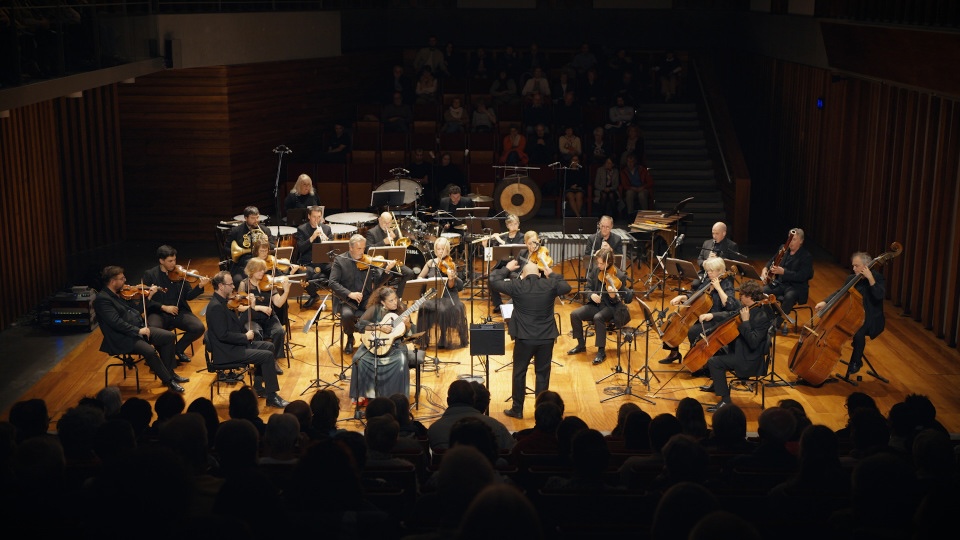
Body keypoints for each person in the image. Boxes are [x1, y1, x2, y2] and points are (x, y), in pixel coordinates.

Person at [490, 255, 572, 419]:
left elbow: (493, 281)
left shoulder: (517, 285)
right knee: (542, 374)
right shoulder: (549, 284)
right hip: (546, 337)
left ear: (523, 275)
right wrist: (552, 274)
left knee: (519, 372)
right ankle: (540, 412)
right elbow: (567, 287)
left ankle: (517, 409)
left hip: (525, 338)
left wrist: (506, 269)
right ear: (540, 274)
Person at [93, 266, 187, 393]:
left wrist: (148, 296)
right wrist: (138, 331)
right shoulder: (102, 300)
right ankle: (169, 381)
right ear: (112, 281)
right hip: (122, 337)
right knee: (150, 351)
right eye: (122, 278)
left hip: (136, 330)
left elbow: (137, 311)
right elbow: (116, 323)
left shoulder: (119, 294)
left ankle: (170, 373)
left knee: (168, 336)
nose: (125, 281)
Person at [206, 271, 289, 409]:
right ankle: (272, 397)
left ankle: (258, 387)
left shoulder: (224, 302)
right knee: (267, 356)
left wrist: (251, 307)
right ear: (221, 286)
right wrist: (245, 337)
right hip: (227, 352)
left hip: (234, 346)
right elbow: (222, 335)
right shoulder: (215, 307)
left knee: (268, 347)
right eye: (230, 284)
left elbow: (237, 325)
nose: (233, 287)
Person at [700, 281, 775, 412]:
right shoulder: (746, 308)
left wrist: (745, 322)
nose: (740, 297)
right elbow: (730, 315)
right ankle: (717, 384)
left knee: (714, 362)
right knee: (715, 349)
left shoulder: (761, 316)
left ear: (750, 296)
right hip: (739, 350)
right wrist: (711, 315)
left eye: (743, 295)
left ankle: (725, 401)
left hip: (749, 359)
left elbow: (753, 342)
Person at [815, 251, 885, 376]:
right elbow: (840, 292)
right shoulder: (851, 279)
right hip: (853, 315)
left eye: (856, 266)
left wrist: (870, 279)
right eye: (853, 265)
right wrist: (825, 302)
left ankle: (856, 362)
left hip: (871, 318)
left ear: (867, 265)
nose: (853, 268)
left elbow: (879, 295)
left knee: (859, 332)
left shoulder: (877, 278)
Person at [659, 256, 739, 365]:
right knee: (671, 319)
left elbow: (730, 306)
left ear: (720, 270)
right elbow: (696, 294)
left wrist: (719, 288)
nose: (709, 273)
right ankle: (674, 353)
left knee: (693, 331)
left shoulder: (727, 284)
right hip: (700, 315)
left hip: (715, 318)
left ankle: (700, 361)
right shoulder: (708, 281)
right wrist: (682, 297)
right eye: (707, 270)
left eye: (711, 270)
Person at [328, 234, 398, 354]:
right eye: (359, 249)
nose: (362, 252)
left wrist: (387, 271)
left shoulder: (368, 261)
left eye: (363, 248)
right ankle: (350, 338)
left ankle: (371, 337)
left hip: (366, 298)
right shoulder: (340, 260)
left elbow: (377, 283)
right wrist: (350, 294)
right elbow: (332, 282)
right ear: (351, 248)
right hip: (347, 300)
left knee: (379, 310)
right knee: (347, 315)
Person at [142, 245, 209, 364]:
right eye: (170, 261)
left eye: (174, 260)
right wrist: (164, 307)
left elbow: (188, 296)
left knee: (198, 327)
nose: (173, 264)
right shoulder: (151, 275)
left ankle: (176, 350)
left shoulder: (179, 273)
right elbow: (146, 300)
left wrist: (200, 286)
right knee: (153, 331)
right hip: (158, 312)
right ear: (161, 261)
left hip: (178, 311)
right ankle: (162, 358)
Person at [568, 247, 634, 365]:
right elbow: (587, 288)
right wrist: (591, 295)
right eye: (597, 263)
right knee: (575, 314)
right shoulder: (595, 271)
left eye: (601, 263)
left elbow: (619, 300)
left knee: (598, 318)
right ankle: (581, 345)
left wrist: (612, 296)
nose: (598, 265)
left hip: (611, 307)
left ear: (608, 262)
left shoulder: (619, 275)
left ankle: (601, 351)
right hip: (595, 304)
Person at [349, 286, 415, 402]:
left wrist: (408, 324)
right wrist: (379, 327)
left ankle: (396, 397)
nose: (395, 302)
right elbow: (359, 326)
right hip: (374, 344)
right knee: (358, 358)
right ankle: (366, 393)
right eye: (391, 300)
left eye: (395, 299)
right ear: (383, 302)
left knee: (401, 361)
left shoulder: (402, 309)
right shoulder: (375, 309)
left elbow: (410, 335)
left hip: (395, 347)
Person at [237, 255, 289, 375]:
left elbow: (278, 303)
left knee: (279, 332)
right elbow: (240, 307)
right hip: (252, 318)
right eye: (259, 270)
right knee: (255, 333)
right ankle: (258, 363)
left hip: (269, 318)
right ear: (251, 270)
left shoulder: (268, 282)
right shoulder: (244, 285)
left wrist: (286, 291)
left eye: (263, 269)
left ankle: (273, 360)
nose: (262, 272)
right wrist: (258, 307)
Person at [417, 236, 468, 350]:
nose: (440, 251)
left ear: (447, 250)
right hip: (433, 295)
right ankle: (424, 338)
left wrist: (450, 278)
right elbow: (420, 276)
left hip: (448, 295)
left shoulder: (450, 264)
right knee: (423, 307)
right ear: (435, 250)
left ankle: (443, 337)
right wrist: (422, 280)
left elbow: (451, 286)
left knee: (444, 310)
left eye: (443, 249)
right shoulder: (430, 262)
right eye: (438, 249)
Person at [761, 228, 814, 334]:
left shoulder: (806, 256)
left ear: (801, 241)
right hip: (780, 284)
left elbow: (802, 276)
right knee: (763, 291)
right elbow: (772, 260)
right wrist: (765, 269)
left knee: (789, 297)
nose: (790, 242)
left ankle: (775, 325)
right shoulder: (783, 248)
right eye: (789, 239)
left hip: (796, 287)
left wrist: (783, 272)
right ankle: (772, 318)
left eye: (794, 239)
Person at [482, 214, 524, 314]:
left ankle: (515, 304)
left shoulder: (522, 237)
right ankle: (498, 305)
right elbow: (491, 253)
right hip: (502, 266)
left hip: (515, 266)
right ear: (507, 226)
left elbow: (517, 250)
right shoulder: (503, 236)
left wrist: (500, 240)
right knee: (491, 278)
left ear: (518, 224)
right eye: (511, 224)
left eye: (515, 224)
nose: (513, 226)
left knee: (516, 280)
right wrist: (485, 246)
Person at [297, 205, 334, 309]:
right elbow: (300, 248)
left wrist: (327, 241)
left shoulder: (326, 228)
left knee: (338, 270)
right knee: (303, 274)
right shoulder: (302, 229)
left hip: (324, 262)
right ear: (309, 216)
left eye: (319, 217)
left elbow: (333, 248)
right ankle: (314, 296)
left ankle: (338, 299)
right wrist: (312, 238)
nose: (317, 220)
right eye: (314, 217)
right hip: (309, 262)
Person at [226, 206, 273, 283]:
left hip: (261, 263)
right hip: (243, 265)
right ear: (245, 218)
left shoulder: (265, 230)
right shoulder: (236, 231)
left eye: (257, 217)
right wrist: (235, 253)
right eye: (252, 218)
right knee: (238, 280)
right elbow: (226, 249)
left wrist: (266, 243)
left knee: (270, 279)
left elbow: (273, 247)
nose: (256, 221)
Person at [692, 221, 739, 289]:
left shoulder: (732, 246)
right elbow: (699, 259)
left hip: (721, 275)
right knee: (695, 284)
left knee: (705, 286)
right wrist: (705, 263)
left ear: (724, 233)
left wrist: (718, 260)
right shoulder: (707, 243)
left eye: (717, 234)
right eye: (713, 233)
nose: (714, 236)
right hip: (705, 272)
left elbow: (734, 266)